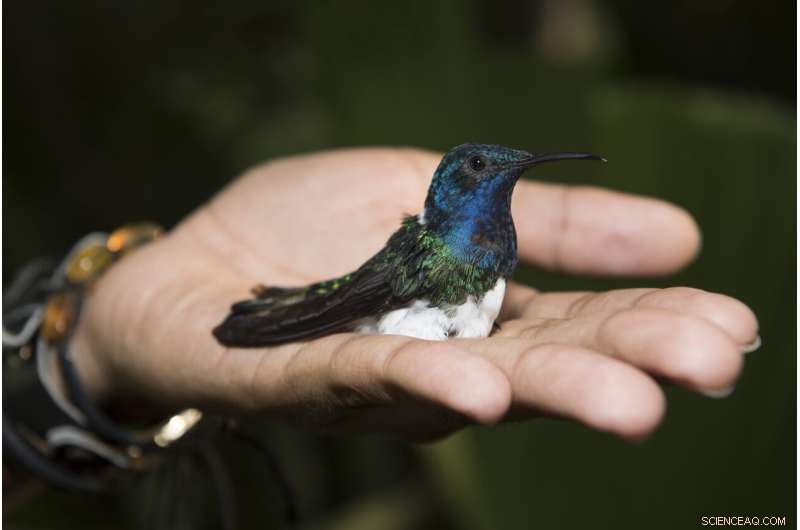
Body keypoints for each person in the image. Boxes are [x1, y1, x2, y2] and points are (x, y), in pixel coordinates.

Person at [69, 147, 759, 441]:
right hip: (388, 309)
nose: (499, 171)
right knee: (314, 305)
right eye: (483, 166)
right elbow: (350, 301)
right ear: (457, 182)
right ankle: (266, 309)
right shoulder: (428, 249)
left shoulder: (494, 238)